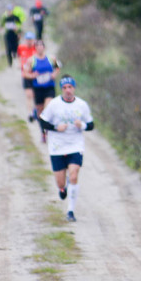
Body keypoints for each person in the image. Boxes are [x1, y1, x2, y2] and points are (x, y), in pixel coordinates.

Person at [38, 75, 94, 222]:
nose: (68, 90)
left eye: (70, 87)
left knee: (74, 175)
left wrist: (82, 125)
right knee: (61, 182)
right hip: (57, 146)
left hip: (75, 145)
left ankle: (70, 211)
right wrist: (56, 127)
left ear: (74, 88)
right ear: (61, 89)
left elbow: (91, 125)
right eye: (64, 88)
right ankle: (62, 188)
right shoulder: (54, 104)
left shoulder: (82, 105)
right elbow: (42, 121)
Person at [22, 39, 60, 142]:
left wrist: (54, 75)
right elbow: (25, 73)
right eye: (37, 46)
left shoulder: (51, 58)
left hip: (49, 87)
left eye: (41, 46)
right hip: (38, 88)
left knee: (48, 107)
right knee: (40, 112)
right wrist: (32, 75)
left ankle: (48, 129)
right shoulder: (31, 60)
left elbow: (58, 67)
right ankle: (43, 131)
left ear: (44, 47)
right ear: (35, 48)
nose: (39, 48)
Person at [17, 32, 37, 120]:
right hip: (25, 74)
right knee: (29, 95)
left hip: (36, 75)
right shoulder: (21, 47)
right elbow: (19, 56)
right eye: (28, 40)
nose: (29, 41)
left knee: (35, 95)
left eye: (31, 40)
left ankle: (37, 111)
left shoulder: (36, 48)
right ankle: (30, 113)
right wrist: (19, 64)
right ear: (25, 40)